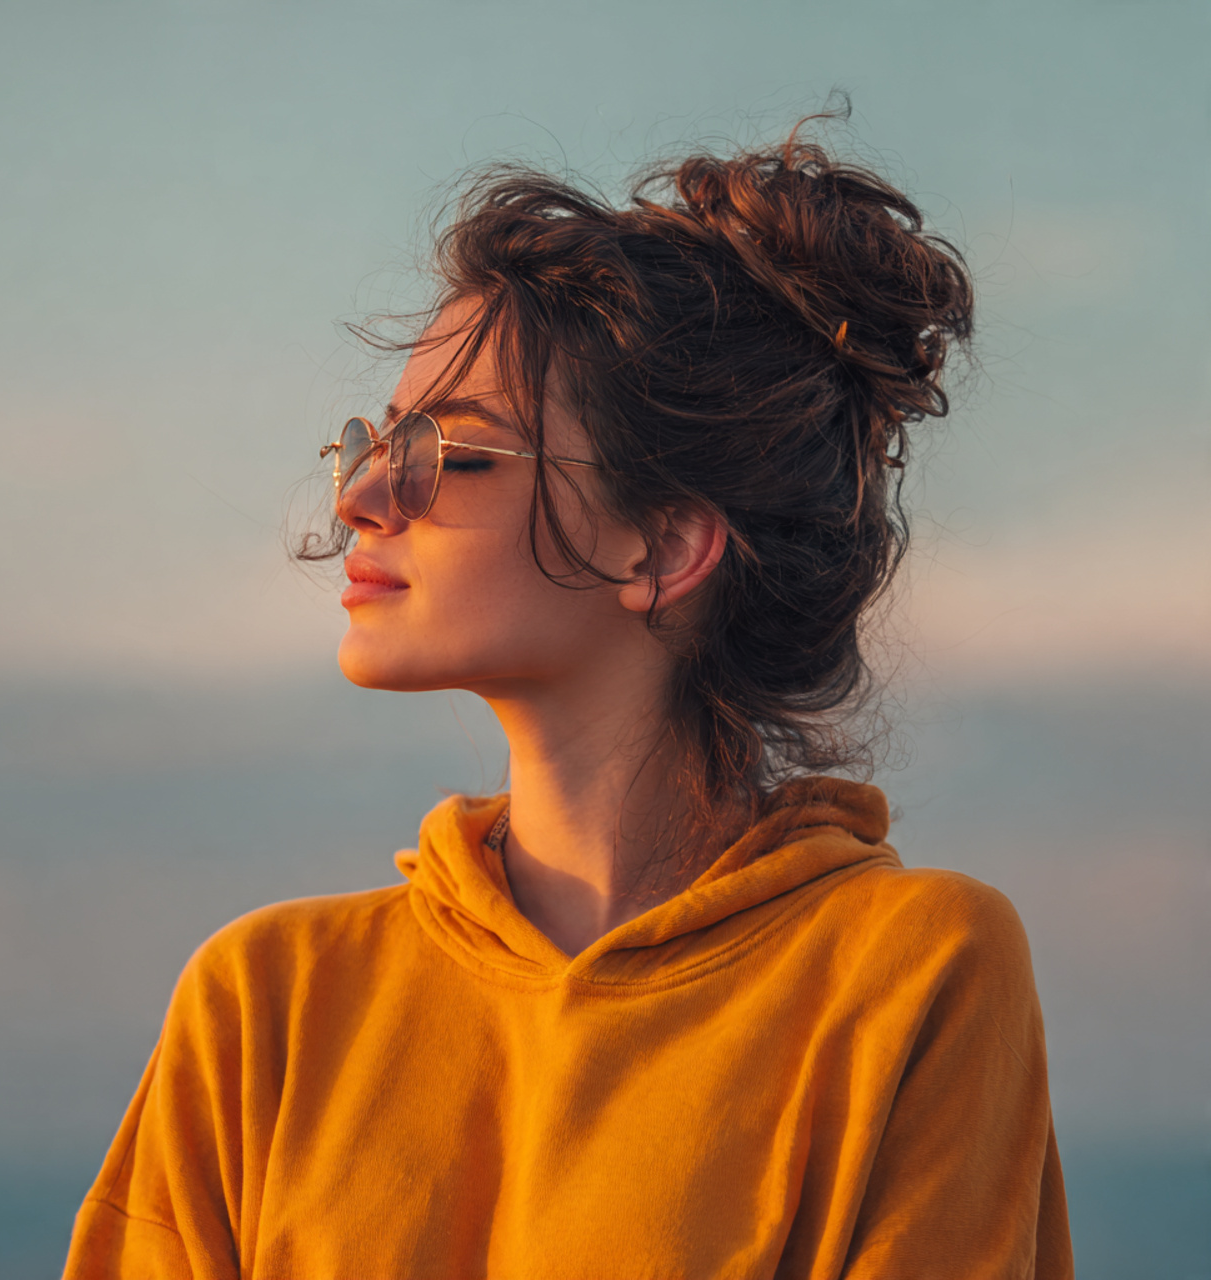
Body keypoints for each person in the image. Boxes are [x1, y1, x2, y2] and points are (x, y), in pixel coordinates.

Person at [63, 119, 1073, 1279]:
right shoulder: (264, 1002)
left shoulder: (908, 970)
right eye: (379, 439)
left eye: (453, 449)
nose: (364, 495)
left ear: (664, 545)